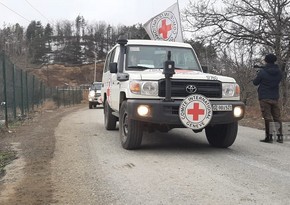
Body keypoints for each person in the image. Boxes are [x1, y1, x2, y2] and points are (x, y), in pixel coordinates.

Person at [253, 53, 283, 143]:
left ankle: (269, 137)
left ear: (266, 60)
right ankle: (280, 137)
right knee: (277, 117)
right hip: (275, 97)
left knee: (267, 117)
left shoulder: (263, 72)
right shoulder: (279, 72)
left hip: (264, 97)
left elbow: (255, 82)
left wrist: (258, 73)